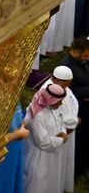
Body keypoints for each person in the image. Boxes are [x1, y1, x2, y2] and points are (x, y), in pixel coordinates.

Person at [23, 84, 68, 193]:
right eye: (59, 101)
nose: (61, 103)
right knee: (39, 184)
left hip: (54, 154)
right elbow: (42, 142)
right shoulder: (38, 115)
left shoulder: (54, 107)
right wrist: (61, 140)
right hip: (39, 158)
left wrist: (63, 132)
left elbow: (61, 121)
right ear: (51, 100)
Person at [58, 37, 89, 176]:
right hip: (75, 109)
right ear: (77, 52)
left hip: (84, 106)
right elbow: (68, 91)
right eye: (86, 55)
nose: (88, 58)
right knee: (77, 141)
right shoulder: (65, 66)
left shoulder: (83, 62)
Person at [46, 65, 79, 193]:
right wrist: (68, 126)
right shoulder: (49, 91)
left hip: (67, 131)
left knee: (64, 163)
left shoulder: (62, 87)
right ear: (57, 81)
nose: (69, 87)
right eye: (67, 84)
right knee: (54, 168)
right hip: (57, 135)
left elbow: (72, 101)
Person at [0, 102, 28, 193]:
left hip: (16, 152)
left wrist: (22, 126)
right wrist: (16, 135)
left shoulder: (14, 98)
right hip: (2, 156)